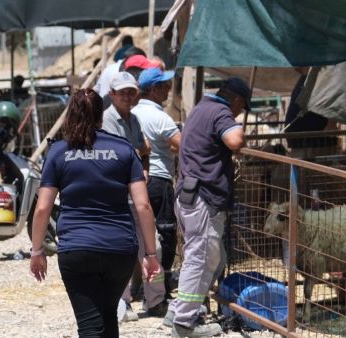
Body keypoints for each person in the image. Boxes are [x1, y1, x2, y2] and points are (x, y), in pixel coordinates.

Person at [29, 88, 161, 338]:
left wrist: (37, 251)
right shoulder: (124, 150)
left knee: (90, 324)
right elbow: (143, 206)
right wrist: (151, 254)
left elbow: (43, 207)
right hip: (120, 249)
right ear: (101, 116)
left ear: (70, 115)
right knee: (108, 315)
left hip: (77, 249)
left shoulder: (57, 152)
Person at [167, 77, 249, 337]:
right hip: (204, 196)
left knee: (214, 259)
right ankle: (184, 323)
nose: (239, 113)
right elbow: (235, 140)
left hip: (191, 193)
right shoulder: (220, 111)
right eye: (242, 108)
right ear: (235, 100)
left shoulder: (201, 107)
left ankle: (179, 311)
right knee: (201, 259)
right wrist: (240, 133)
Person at [102, 71, 166, 319]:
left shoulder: (134, 120)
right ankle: (122, 302)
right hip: (117, 196)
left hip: (137, 194)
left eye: (132, 92)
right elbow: (124, 154)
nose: (128, 97)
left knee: (154, 247)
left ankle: (156, 300)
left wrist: (145, 168)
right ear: (112, 94)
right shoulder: (106, 121)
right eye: (123, 93)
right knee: (121, 251)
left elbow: (142, 150)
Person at [132, 67, 181, 297]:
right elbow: (183, 145)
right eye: (163, 86)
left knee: (140, 234)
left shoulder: (132, 115)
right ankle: (161, 288)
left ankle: (139, 286)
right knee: (165, 233)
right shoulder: (160, 117)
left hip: (137, 182)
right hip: (159, 179)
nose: (169, 89)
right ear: (152, 90)